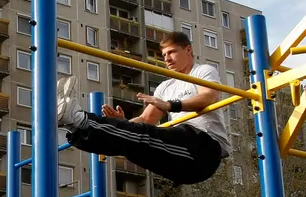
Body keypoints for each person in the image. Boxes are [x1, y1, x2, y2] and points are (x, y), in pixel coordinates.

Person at [55, 31, 230, 186]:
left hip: (204, 148)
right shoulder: (165, 87)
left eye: (172, 52)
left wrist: (170, 105)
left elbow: (209, 97)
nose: (167, 58)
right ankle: (73, 125)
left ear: (188, 50)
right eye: (164, 55)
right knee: (129, 143)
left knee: (146, 135)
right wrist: (123, 124)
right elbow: (146, 120)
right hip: (181, 156)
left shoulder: (202, 72)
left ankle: (78, 118)